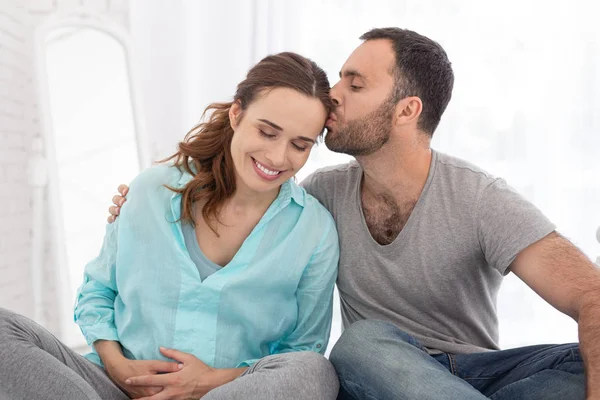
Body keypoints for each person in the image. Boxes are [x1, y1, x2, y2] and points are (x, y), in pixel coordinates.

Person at [111, 27, 600, 399]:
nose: (333, 95)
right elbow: (246, 187)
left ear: (407, 111)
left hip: (477, 380)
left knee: (579, 365)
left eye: (354, 83)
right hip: (375, 377)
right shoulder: (320, 195)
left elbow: (591, 295)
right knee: (360, 344)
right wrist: (143, 201)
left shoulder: (480, 199)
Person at [0, 52, 341, 400]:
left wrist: (208, 382)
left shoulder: (313, 231)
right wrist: (118, 366)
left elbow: (302, 350)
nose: (278, 157)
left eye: (300, 145)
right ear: (237, 114)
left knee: (315, 372)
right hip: (115, 388)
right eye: (267, 132)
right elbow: (98, 292)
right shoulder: (152, 192)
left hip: (227, 395)